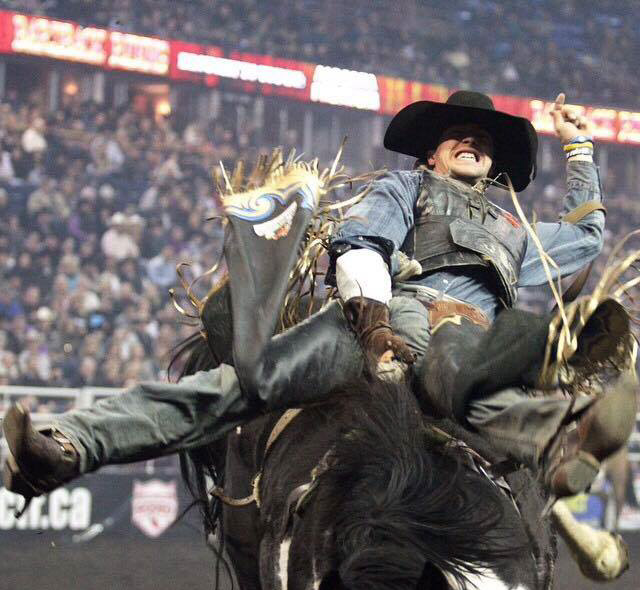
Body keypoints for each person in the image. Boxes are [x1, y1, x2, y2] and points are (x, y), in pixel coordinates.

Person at [3, 91, 636, 505]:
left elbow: (585, 234)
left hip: (468, 337)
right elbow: (361, 244)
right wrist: (375, 324)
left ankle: (562, 445)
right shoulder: (402, 187)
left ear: (493, 163)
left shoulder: (518, 231)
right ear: (433, 154)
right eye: (457, 134)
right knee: (246, 384)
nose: (472, 140)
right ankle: (68, 447)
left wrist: (578, 145)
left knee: (461, 367)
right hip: (385, 312)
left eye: (483, 138)